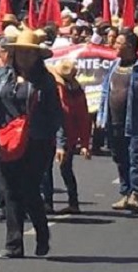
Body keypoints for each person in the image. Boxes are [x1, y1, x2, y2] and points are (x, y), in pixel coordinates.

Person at [0, 28, 62, 259]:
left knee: (29, 190)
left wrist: (60, 142)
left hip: (37, 142)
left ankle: (41, 233)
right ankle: (14, 244)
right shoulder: (2, 75)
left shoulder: (46, 81)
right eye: (21, 52)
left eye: (30, 53)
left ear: (37, 56)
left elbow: (56, 114)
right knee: (10, 191)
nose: (25, 57)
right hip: (7, 140)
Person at [97, 31, 138, 213]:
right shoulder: (113, 67)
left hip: (137, 122)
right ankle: (125, 193)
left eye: (119, 43)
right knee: (119, 157)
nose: (115, 46)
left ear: (129, 47)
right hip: (114, 122)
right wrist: (101, 117)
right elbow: (105, 92)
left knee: (136, 158)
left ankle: (135, 194)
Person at [41, 58, 93, 214]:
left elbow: (63, 114)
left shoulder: (59, 90)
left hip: (55, 134)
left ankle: (49, 202)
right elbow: (84, 118)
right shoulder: (76, 91)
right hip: (69, 136)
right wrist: (84, 142)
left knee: (47, 168)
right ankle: (73, 201)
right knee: (65, 169)